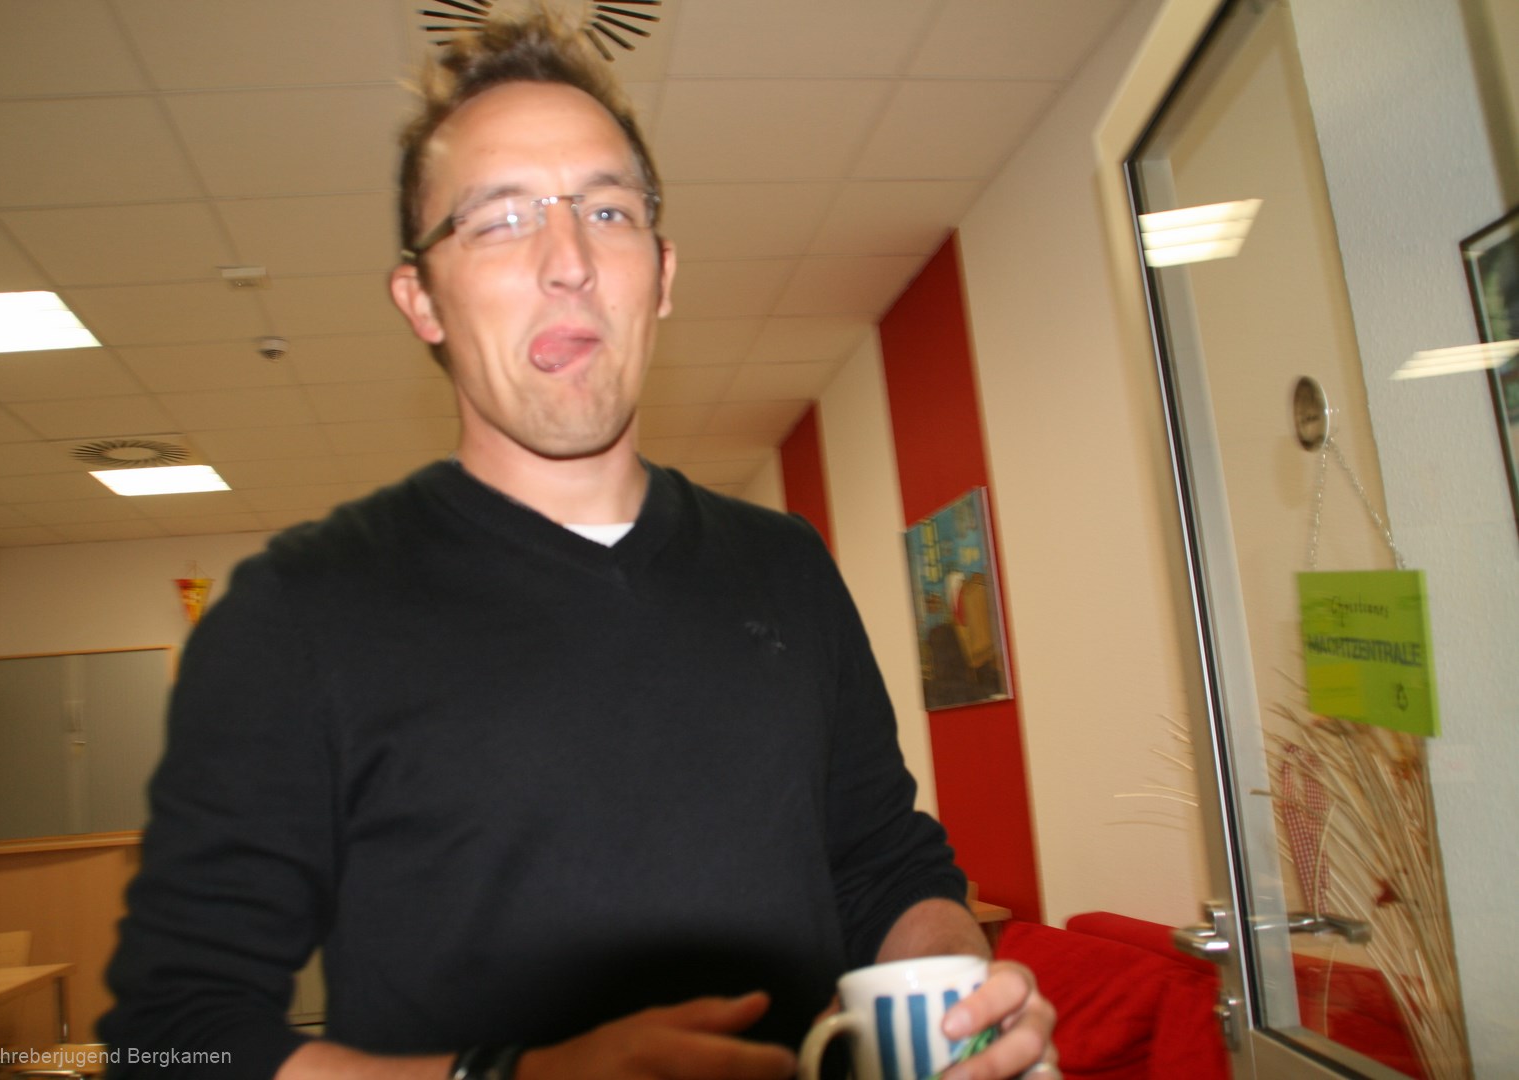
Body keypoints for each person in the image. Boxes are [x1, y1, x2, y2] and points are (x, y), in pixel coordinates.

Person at [100, 14, 1058, 1080]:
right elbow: (167, 1036)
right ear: (422, 300)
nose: (570, 263)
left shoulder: (787, 567)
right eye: (500, 221)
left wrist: (966, 996)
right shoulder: (295, 610)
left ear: (662, 272)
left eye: (608, 211)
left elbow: (883, 867)